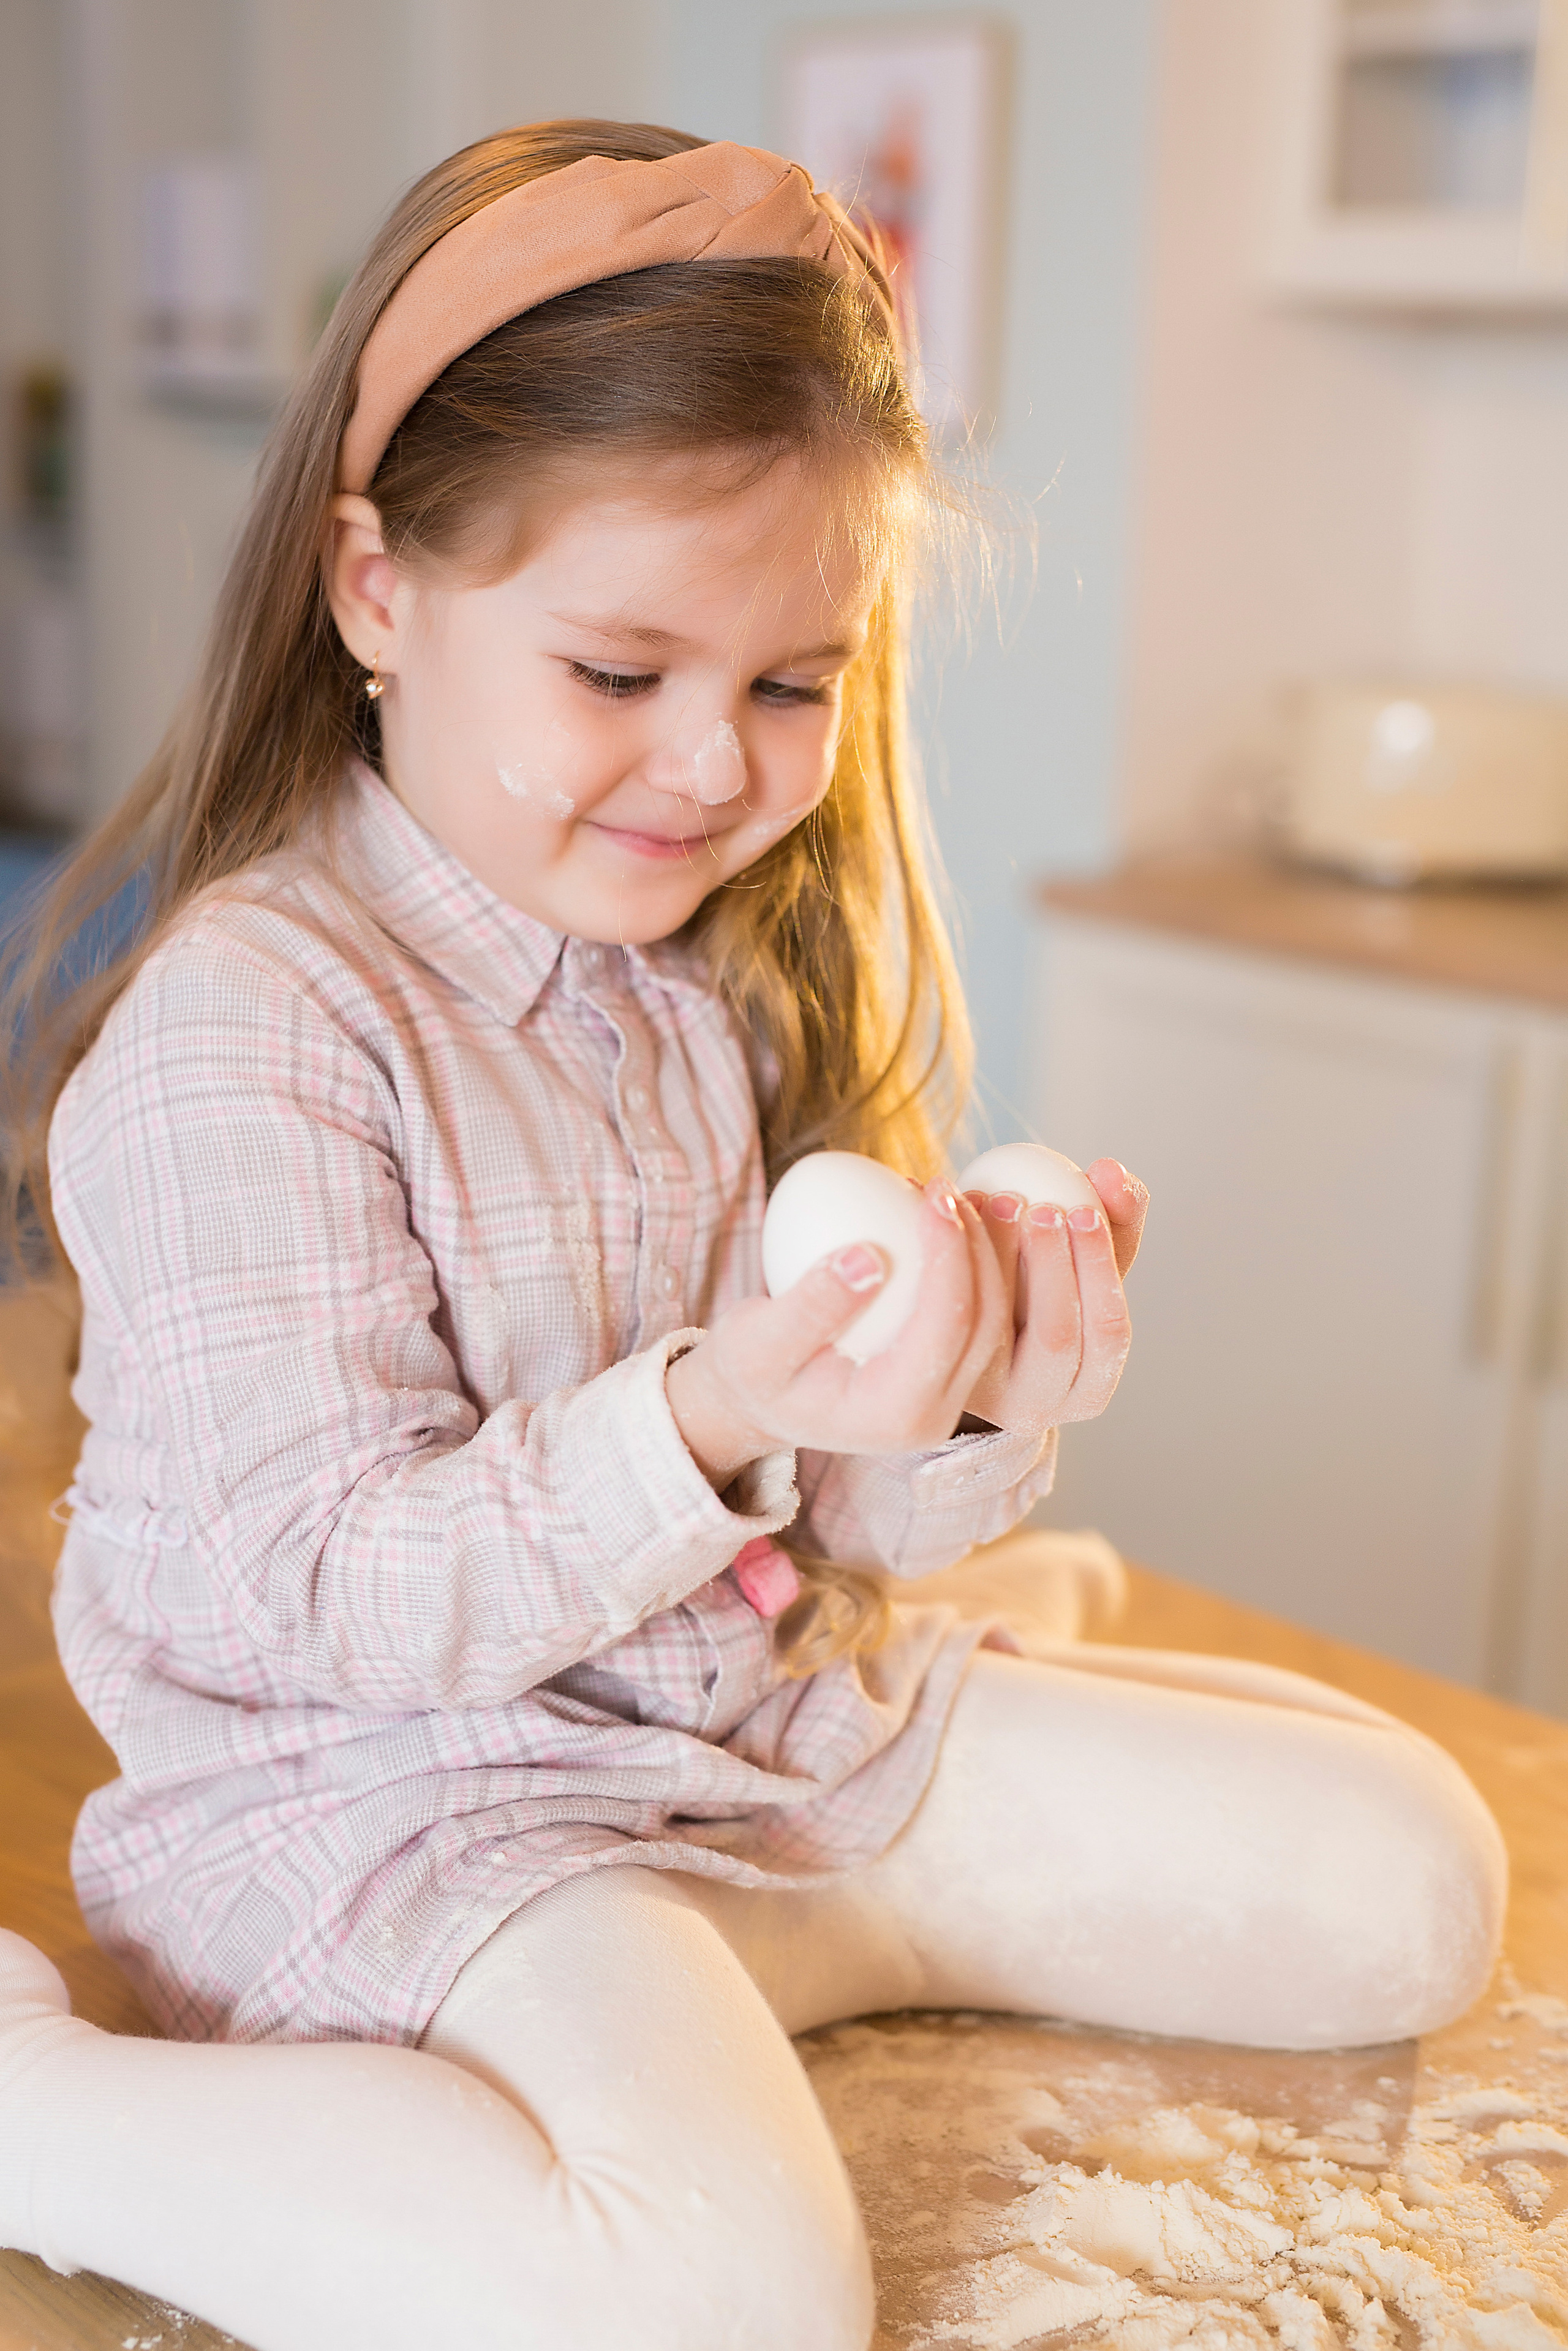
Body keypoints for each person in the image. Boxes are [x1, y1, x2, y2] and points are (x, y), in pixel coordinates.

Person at [0, 123, 1506, 2351]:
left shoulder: (684, 989)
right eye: (621, 676)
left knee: (1414, 1886)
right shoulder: (252, 1030)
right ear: (377, 594)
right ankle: (41, 2101)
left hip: (726, 1749)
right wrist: (708, 1409)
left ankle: (748, 1964)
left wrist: (969, 1380)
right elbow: (322, 1600)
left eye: (792, 683)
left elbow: (819, 1527)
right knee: (715, 2309)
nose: (713, 767)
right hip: (399, 1801)